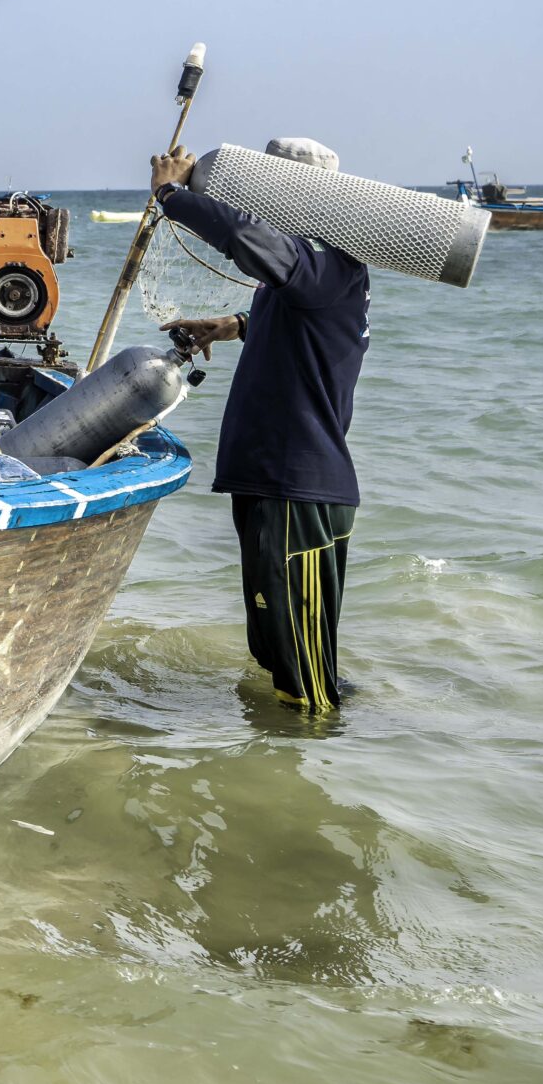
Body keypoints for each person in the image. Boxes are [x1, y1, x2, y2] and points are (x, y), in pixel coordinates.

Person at [150, 137, 370, 713]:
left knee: (304, 678)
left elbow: (249, 240)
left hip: (298, 489)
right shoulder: (302, 277)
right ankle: (276, 764)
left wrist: (173, 195)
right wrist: (233, 325)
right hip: (269, 482)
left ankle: (309, 778)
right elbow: (304, 326)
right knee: (274, 647)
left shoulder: (328, 263)